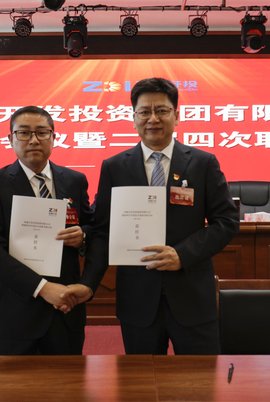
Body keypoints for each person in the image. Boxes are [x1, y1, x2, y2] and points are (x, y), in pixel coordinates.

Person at [73, 77, 240, 355]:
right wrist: (88, 283)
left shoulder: (203, 163)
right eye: (144, 111)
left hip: (192, 296)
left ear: (176, 115)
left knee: (200, 378)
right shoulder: (114, 167)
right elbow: (103, 230)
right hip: (137, 298)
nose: (153, 118)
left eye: (162, 110)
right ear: (134, 118)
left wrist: (182, 254)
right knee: (141, 380)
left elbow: (226, 222)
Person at [0, 106, 103, 355]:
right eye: (24, 133)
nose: (33, 140)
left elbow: (92, 226)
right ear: (10, 138)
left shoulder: (74, 180)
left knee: (68, 379)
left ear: (53, 137)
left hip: (66, 309)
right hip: (17, 314)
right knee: (12, 381)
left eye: (42, 132)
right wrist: (44, 288)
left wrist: (83, 236)